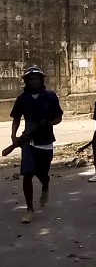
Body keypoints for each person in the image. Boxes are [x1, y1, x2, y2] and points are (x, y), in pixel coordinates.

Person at [10, 66, 64, 224]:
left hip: (46, 141)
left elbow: (59, 117)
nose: (34, 81)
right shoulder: (22, 99)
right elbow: (16, 118)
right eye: (31, 79)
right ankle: (29, 209)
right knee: (27, 174)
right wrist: (13, 135)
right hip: (28, 142)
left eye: (36, 78)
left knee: (43, 174)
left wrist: (48, 123)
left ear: (41, 80)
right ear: (26, 81)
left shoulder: (50, 97)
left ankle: (45, 185)